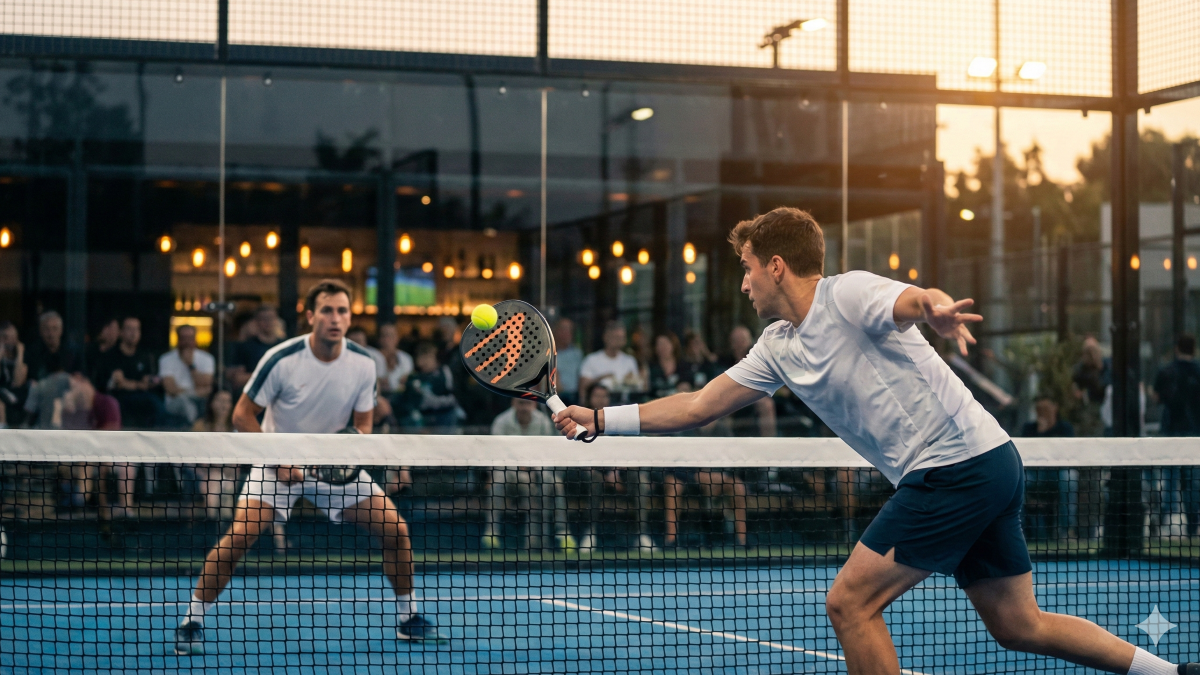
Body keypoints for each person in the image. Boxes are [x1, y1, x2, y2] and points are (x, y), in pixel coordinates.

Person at [552, 207, 1195, 675]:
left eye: (746, 269)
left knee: (849, 603)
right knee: (1018, 625)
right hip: (990, 461)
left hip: (955, 467)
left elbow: (912, 300)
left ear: (776, 266)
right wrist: (602, 420)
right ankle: (1169, 672)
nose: (742, 283)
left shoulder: (848, 294)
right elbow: (699, 406)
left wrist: (935, 307)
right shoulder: (776, 347)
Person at [175, 279, 446, 656]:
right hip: (276, 462)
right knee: (238, 538)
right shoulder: (282, 359)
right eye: (327, 310)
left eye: (342, 311)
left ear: (349, 317)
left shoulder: (363, 364)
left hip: (333, 466)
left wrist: (334, 461)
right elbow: (242, 415)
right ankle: (191, 622)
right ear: (310, 316)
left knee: (396, 530)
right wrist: (279, 460)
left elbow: (363, 427)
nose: (335, 318)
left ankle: (408, 619)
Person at [482, 399, 572, 550]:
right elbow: (496, 453)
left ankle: (563, 533)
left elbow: (548, 452)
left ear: (534, 405)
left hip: (536, 471)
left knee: (556, 484)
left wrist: (533, 469)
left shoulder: (543, 422)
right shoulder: (501, 422)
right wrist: (518, 467)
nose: (524, 407)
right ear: (513, 404)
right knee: (497, 481)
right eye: (520, 403)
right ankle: (491, 532)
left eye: (528, 404)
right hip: (508, 471)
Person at [1150, 334, 1200, 538]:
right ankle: (1192, 527)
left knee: (1170, 478)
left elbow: (1156, 397)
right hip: (1194, 434)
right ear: (1193, 349)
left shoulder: (1166, 371)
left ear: (1177, 348)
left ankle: (1169, 523)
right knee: (1193, 481)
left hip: (1171, 432)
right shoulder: (1198, 371)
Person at [102, 317, 165, 429]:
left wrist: (135, 383)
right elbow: (119, 383)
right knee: (152, 402)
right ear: (121, 332)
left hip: (143, 397)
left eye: (136, 329)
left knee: (156, 401)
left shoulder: (145, 355)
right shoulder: (112, 355)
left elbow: (149, 381)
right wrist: (139, 384)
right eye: (129, 329)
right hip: (120, 398)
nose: (133, 333)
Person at [189, 389, 240, 520]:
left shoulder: (236, 427)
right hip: (203, 474)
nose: (223, 405)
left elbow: (237, 462)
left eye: (227, 401)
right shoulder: (200, 426)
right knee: (215, 478)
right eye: (220, 401)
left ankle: (224, 523)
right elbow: (193, 457)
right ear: (211, 403)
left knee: (226, 483)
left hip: (229, 475)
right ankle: (212, 521)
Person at [721, 326, 776, 437]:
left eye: (743, 340)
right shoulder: (724, 361)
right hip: (732, 396)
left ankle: (769, 443)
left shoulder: (758, 359)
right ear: (731, 343)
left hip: (755, 395)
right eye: (736, 341)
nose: (740, 344)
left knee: (766, 404)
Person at [399, 342, 462, 432]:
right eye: (422, 357)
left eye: (429, 357)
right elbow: (411, 403)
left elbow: (452, 396)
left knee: (453, 414)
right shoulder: (414, 378)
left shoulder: (444, 372)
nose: (425, 361)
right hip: (423, 416)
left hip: (444, 414)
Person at [159, 325, 215, 424]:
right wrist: (198, 391)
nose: (187, 342)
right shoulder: (166, 359)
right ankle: (193, 428)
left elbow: (206, 383)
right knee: (186, 404)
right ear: (178, 339)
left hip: (201, 400)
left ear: (195, 339)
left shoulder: (207, 358)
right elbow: (171, 389)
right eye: (183, 338)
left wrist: (190, 365)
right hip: (175, 401)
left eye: (190, 338)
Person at [578, 320, 642, 400]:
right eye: (616, 337)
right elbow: (583, 387)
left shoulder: (630, 361)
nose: (619, 340)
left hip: (625, 404)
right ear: (605, 337)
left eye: (621, 337)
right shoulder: (591, 360)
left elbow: (637, 387)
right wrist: (601, 379)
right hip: (600, 405)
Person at [226, 305, 281, 394]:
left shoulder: (285, 345)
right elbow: (238, 378)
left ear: (277, 320)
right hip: (255, 395)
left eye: (271, 318)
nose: (268, 322)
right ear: (255, 322)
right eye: (263, 319)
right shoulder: (245, 347)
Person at [24, 310, 82, 382]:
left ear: (61, 330)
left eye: (55, 328)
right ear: (40, 331)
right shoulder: (32, 353)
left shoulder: (73, 352)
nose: (51, 334)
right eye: (46, 329)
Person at [647, 331, 696, 399]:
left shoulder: (684, 366)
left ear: (673, 345)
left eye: (665, 344)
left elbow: (689, 386)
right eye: (659, 344)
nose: (662, 347)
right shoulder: (650, 368)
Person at [0, 320, 28, 428]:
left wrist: (20, 353)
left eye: (13, 337)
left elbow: (17, 382)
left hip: (15, 395)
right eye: (6, 337)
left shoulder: (22, 357)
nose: (10, 341)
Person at [553, 318, 582, 405]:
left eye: (569, 330)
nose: (566, 333)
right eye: (563, 329)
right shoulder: (548, 353)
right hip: (554, 396)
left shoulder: (577, 353)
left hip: (575, 397)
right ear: (556, 331)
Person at [86, 318, 120, 390]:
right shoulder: (89, 351)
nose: (116, 333)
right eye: (109, 328)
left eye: (115, 329)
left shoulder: (118, 354)